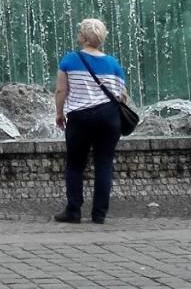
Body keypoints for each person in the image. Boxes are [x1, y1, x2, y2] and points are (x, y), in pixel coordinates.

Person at [53, 17, 128, 225]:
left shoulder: (70, 60)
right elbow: (123, 96)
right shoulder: (113, 64)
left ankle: (74, 210)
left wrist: (59, 113)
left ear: (84, 37)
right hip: (109, 118)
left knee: (75, 164)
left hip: (81, 117)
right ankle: (99, 214)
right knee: (104, 164)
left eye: (80, 33)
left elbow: (61, 90)